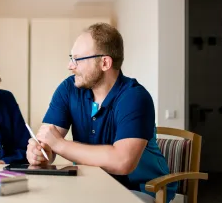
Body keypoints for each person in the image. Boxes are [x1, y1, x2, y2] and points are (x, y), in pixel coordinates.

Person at [26, 23, 177, 203]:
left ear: (105, 62)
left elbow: (122, 162)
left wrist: (59, 145)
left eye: (77, 59)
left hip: (138, 189)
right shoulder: (69, 88)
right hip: (89, 186)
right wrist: (40, 153)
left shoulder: (135, 97)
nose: (70, 66)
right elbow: (47, 141)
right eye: (70, 58)